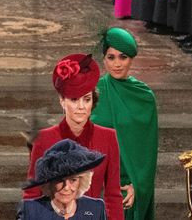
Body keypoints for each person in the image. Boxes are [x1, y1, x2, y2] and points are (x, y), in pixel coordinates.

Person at [23, 53, 123, 219]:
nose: (81, 107)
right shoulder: (44, 139)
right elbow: (32, 195)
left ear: (93, 101)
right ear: (62, 101)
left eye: (87, 99)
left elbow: (113, 196)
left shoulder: (108, 138)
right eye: (74, 99)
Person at [91, 27, 158, 220]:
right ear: (103, 59)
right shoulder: (94, 92)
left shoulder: (144, 97)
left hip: (129, 183)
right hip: (97, 181)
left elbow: (148, 152)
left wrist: (137, 185)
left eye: (123, 57)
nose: (117, 64)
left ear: (131, 59)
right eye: (111, 57)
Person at [17, 139, 107, 220]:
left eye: (73, 180)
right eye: (59, 180)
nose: (66, 187)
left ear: (82, 181)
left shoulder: (96, 208)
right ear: (49, 183)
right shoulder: (29, 210)